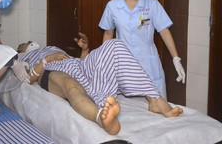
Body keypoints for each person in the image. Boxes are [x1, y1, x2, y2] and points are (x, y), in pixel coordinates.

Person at [16, 33, 183, 135]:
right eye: (25, 44)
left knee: (114, 45)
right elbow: (27, 80)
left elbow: (78, 62)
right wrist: (46, 60)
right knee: (71, 86)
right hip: (52, 71)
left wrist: (85, 49)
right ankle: (102, 118)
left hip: (79, 66)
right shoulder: (21, 58)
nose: (30, 43)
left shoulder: (51, 46)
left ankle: (154, 99)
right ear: (21, 49)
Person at [98, 0, 186, 98]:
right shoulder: (112, 6)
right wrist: (103, 61)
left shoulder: (152, 4)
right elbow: (108, 33)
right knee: (128, 110)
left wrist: (176, 58)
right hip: (123, 64)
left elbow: (164, 31)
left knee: (157, 106)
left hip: (148, 63)